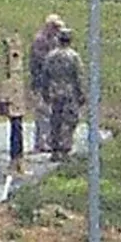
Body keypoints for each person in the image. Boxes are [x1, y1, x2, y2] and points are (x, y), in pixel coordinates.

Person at [39, 27, 86, 159]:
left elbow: (45, 75)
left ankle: (54, 149)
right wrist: (81, 93)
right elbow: (78, 76)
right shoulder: (74, 57)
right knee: (70, 120)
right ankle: (65, 148)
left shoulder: (50, 56)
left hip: (54, 91)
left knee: (55, 120)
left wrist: (45, 92)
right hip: (69, 92)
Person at [28, 14, 64, 150]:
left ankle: (50, 140)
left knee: (52, 113)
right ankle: (41, 142)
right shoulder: (40, 40)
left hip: (52, 83)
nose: (57, 31)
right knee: (43, 112)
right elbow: (41, 61)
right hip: (41, 83)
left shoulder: (55, 41)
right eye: (55, 27)